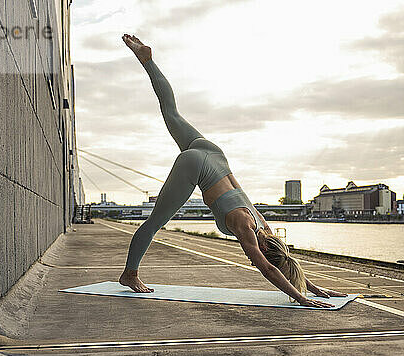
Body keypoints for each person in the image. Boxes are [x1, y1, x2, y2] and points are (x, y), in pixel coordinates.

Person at [118, 34, 346, 308]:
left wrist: (314, 287)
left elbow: (286, 262)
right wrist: (301, 299)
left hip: (215, 154)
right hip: (195, 165)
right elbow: (269, 269)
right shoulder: (245, 227)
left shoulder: (266, 227)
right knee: (154, 222)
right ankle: (129, 274)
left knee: (171, 112)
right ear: (262, 248)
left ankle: (147, 61)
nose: (251, 256)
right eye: (256, 254)